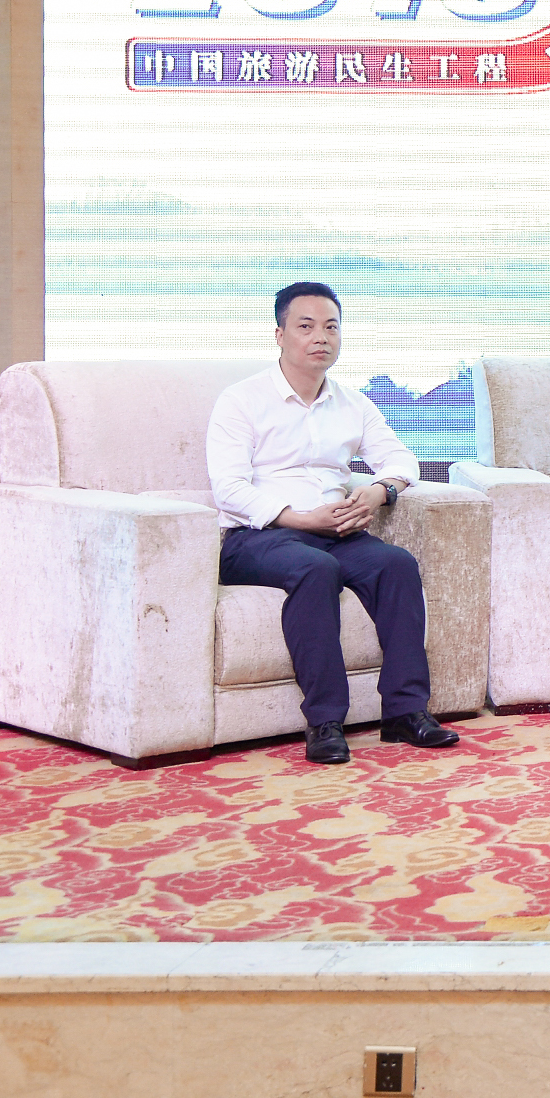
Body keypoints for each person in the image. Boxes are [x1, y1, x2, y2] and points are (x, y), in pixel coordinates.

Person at [207, 281, 458, 765]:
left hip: (335, 532)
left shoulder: (352, 402)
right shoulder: (241, 400)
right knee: (314, 570)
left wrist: (379, 491)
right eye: (305, 326)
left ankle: (405, 712)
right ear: (279, 335)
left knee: (396, 564)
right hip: (258, 536)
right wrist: (300, 519)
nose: (320, 337)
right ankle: (325, 722)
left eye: (331, 327)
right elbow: (229, 488)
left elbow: (401, 459)